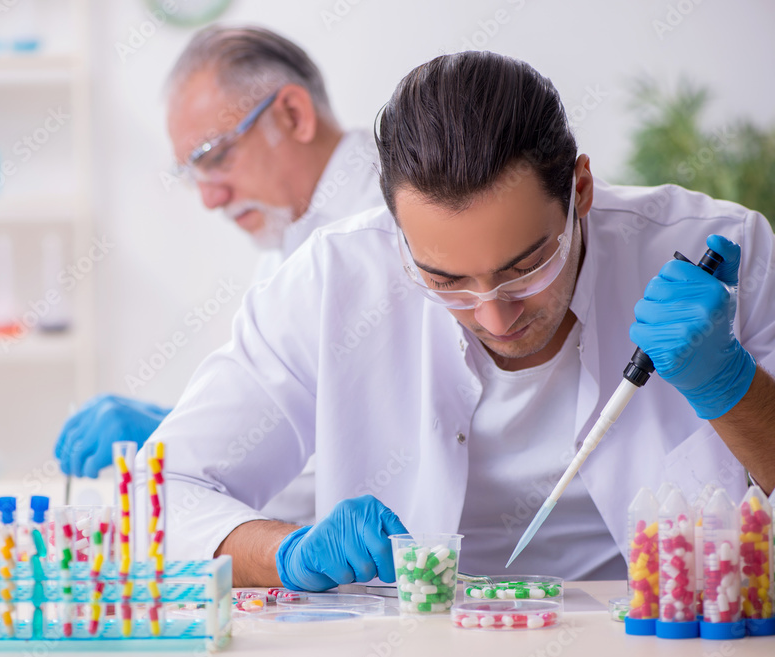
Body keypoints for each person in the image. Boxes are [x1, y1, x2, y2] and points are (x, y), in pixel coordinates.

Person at [141, 51, 775, 589]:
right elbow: (158, 500)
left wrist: (733, 387)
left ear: (581, 189)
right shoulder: (334, 280)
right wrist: (285, 554)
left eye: (527, 266)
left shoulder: (720, 253)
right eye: (445, 281)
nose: (495, 316)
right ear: (395, 228)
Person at [54, 26, 383, 525]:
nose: (210, 198)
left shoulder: (386, 221)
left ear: (293, 115)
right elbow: (289, 412)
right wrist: (186, 435)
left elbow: (361, 465)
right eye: (192, 173)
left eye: (216, 156)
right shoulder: (287, 240)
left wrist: (185, 453)